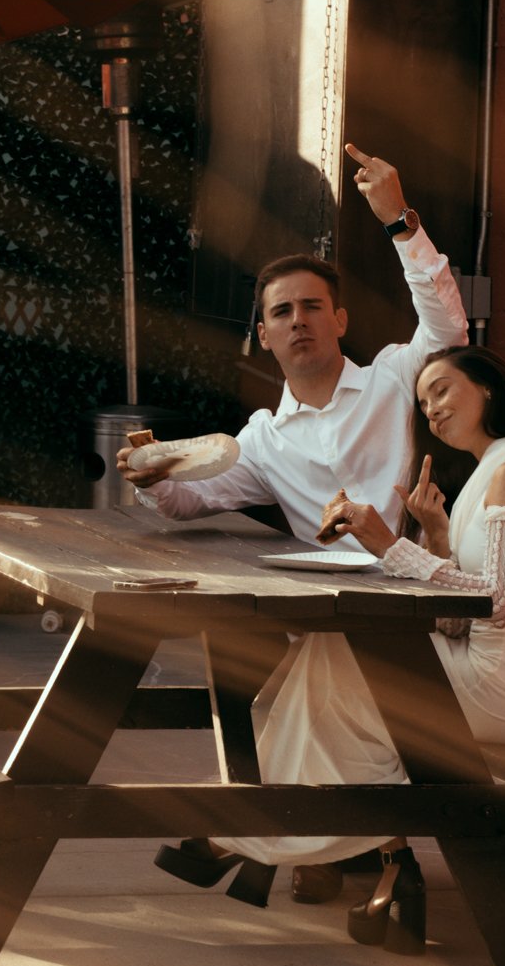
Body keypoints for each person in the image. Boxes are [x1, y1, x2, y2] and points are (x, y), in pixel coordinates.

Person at [120, 140, 469, 905]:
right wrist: (152, 476)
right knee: (288, 683)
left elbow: (447, 328)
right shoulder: (260, 440)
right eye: (282, 312)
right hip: (329, 610)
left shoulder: (388, 381)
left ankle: (249, 836)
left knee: (299, 684)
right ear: (266, 336)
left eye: (313, 306)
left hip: (413, 597)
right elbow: (188, 502)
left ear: (339, 318)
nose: (299, 320)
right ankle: (382, 853)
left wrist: (398, 221)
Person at [213, 344, 505, 949]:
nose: (432, 410)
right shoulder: (485, 473)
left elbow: (494, 604)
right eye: (422, 402)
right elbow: (458, 621)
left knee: (339, 667)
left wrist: (390, 544)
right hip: (486, 666)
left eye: (442, 390)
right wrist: (438, 539)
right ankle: (364, 856)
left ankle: (276, 834)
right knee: (332, 655)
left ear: (487, 388)